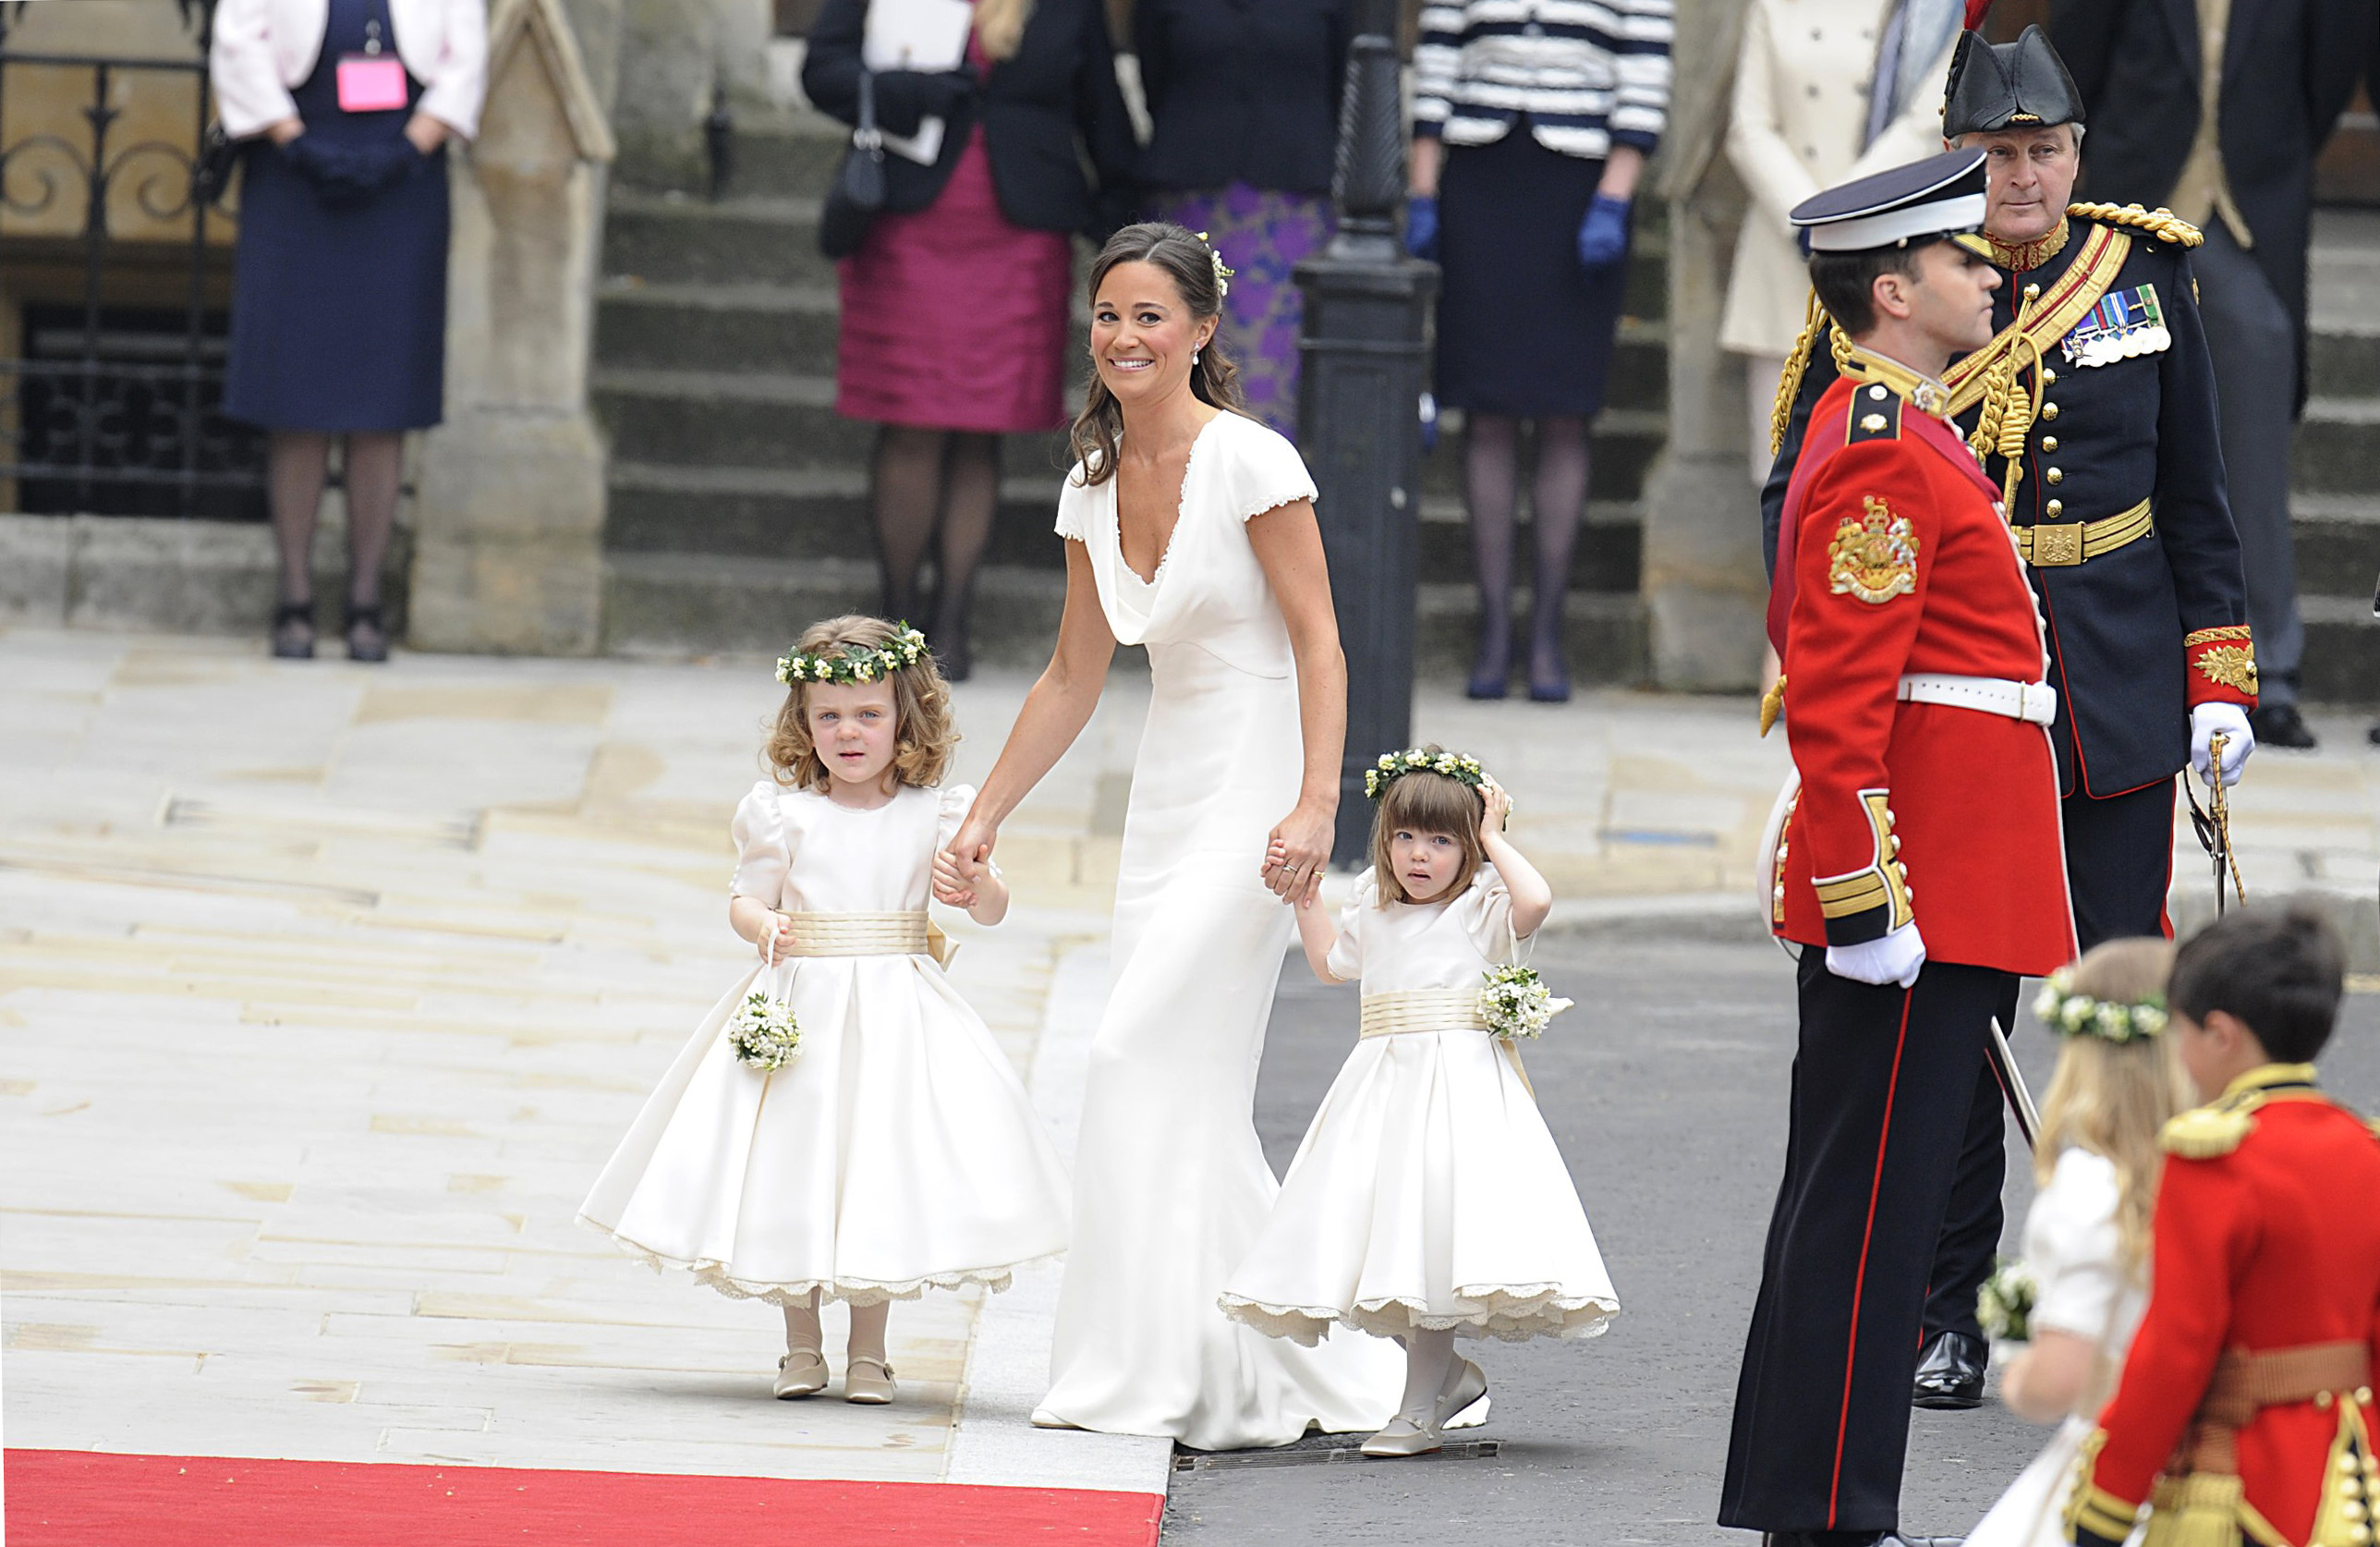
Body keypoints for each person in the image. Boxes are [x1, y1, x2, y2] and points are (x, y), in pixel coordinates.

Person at [1760, 27, 2260, 1414]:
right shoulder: (1886, 296)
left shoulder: (2143, 275)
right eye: (1997, 154)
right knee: (1952, 1015)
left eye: (2045, 151)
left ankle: (2137, 1283)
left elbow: (2200, 503)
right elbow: (1794, 511)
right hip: (1946, 701)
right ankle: (1952, 1304)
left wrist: (2219, 682)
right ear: (1955, 161)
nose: (2024, 178)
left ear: (2079, 157)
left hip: (2107, 688)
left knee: (2120, 1006)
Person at [940, 223, 1402, 1449]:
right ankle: (1232, 1351)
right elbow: (1070, 676)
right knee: (1175, 1086)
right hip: (1167, 790)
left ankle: (1191, 1356)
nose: (1125, 337)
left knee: (1131, 1053)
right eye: (1108, 315)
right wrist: (981, 816)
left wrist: (1316, 803)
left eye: (1151, 316)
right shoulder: (1089, 480)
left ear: (1202, 330)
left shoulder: (1252, 460)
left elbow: (1320, 640)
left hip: (1257, 786)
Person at [1719, 148, 2079, 1547]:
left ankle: (1806, 1494)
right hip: (1914, 882)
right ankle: (1830, 1510)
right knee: (1870, 1208)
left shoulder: (1900, 422)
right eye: (1961, 259)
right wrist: (1867, 891)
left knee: (1858, 1199)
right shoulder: (1880, 437)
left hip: (1945, 873)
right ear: (1894, 287)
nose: (1991, 271)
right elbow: (1839, 687)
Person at [579, 616, 1070, 1405]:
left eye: (869, 714)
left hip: (895, 1013)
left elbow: (992, 907)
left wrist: (976, 883)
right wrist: (763, 926)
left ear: (905, 717)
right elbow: (744, 897)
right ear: (802, 724)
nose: (848, 732)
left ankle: (870, 1353)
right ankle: (800, 1346)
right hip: (802, 1006)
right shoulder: (782, 813)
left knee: (874, 1166)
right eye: (828, 716)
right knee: (795, 1164)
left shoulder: (937, 812)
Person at [1220, 748, 1620, 1459]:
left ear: (1468, 852)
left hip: (1457, 1094)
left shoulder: (1481, 908)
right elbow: (1330, 965)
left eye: (1442, 841)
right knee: (1381, 1241)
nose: (1419, 855)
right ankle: (1451, 1379)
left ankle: (1416, 1411)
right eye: (1405, 837)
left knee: (1432, 1241)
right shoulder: (1372, 905)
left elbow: (1538, 902)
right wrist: (1305, 895)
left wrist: (1495, 834)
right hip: (1380, 1088)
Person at [2050, 0, 2378, 751]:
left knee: (2254, 459)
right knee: (2111, 442)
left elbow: (2325, 76)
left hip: (2248, 220)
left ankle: (2268, 673)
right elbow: (2076, 68)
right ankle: (2112, 656)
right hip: (2132, 219)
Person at [802, 0, 1138, 681]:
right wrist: (904, 92)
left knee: (982, 429)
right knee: (911, 425)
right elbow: (822, 72)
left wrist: (1131, 233)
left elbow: (1102, 110)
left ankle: (953, 620)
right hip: (907, 227)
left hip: (1020, 234)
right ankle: (894, 619)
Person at [2067, 905, 2380, 1547]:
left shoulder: (2214, 1156)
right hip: (2351, 1481)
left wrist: (2109, 1502)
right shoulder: (2364, 1148)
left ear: (2220, 1034)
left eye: (2180, 1032)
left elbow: (2176, 1348)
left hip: (2241, 1483)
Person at [1407, 0, 1673, 701]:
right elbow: (1436, 61)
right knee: (1486, 411)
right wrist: (1423, 191)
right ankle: (1494, 631)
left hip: (1580, 189)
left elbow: (1644, 76)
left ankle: (1547, 634)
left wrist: (1615, 200)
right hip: (1477, 184)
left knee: (1565, 412)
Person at [211, 0, 486, 663]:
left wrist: (405, 150)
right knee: (295, 392)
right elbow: (238, 38)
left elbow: (465, 58)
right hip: (293, 175)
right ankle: (295, 596)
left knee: (381, 395)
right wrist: (293, 141)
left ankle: (365, 601)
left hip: (402, 180)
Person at [1963, 938, 2191, 1547]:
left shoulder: (2091, 1189)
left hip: (2122, 1461)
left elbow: (2061, 1380)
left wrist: (2019, 1372)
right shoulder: (2234, 1163)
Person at [1723, 0, 1961, 483]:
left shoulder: (1929, 9)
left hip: (1886, 250)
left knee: (1885, 468)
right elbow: (1748, 127)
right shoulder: (1774, 7)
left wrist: (1844, 215)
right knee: (1780, 470)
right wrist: (1805, 220)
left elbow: (1928, 118)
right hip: (1785, 249)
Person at [1135, 0, 1349, 439]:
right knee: (1182, 360)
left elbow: (1343, 82)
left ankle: (1266, 498)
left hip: (1291, 207)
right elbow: (1154, 74)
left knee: (1277, 368)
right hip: (1192, 201)